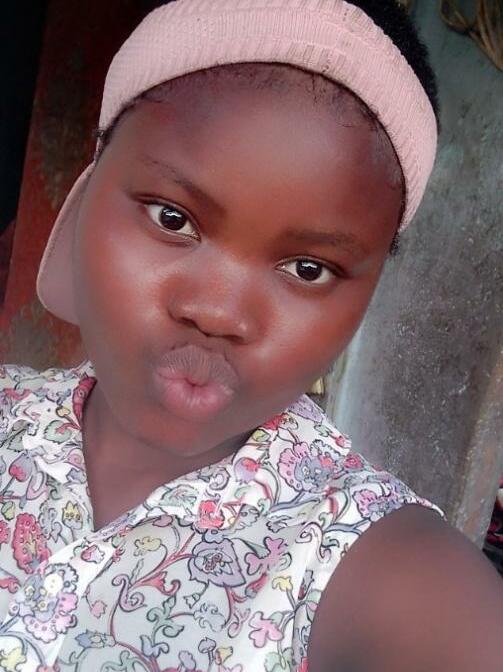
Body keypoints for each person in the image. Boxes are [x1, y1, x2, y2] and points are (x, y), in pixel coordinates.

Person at [0, 1, 501, 670]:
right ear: (91, 182)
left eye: (307, 269)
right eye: (172, 218)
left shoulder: (376, 569)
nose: (218, 313)